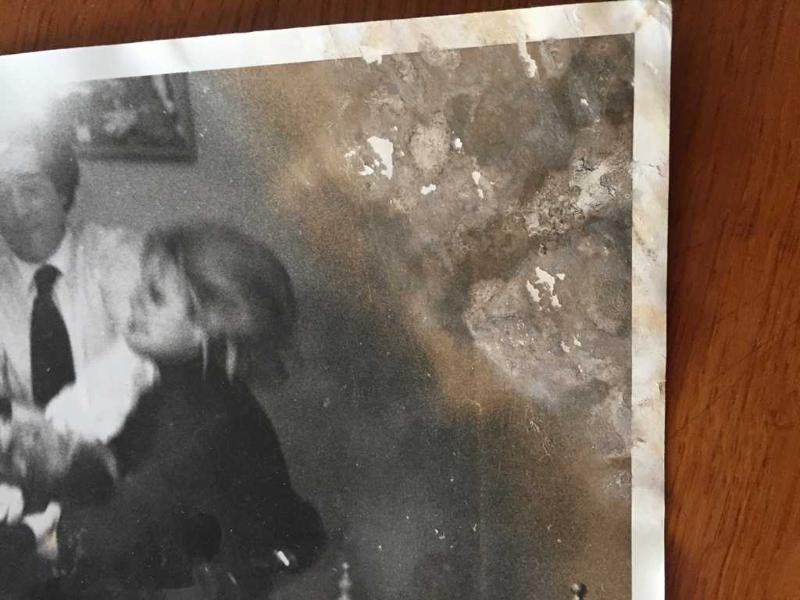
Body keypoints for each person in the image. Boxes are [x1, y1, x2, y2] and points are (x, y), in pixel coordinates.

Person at [50, 223, 326, 598]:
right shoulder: (184, 386)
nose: (135, 300)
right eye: (141, 286)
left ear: (210, 324)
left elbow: (113, 537)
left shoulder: (199, 407)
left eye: (155, 296)